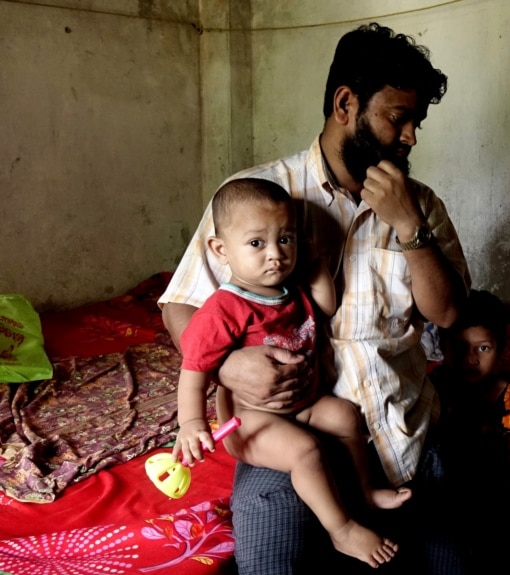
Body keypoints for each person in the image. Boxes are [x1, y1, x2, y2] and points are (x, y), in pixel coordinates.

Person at [158, 22, 471, 574]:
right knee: (270, 556)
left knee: (453, 560)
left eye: (417, 121)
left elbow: (447, 313)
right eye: (399, 117)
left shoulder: (421, 205)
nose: (411, 137)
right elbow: (180, 306)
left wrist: (409, 227)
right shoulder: (255, 201)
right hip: (291, 431)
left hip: (404, 425)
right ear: (345, 104)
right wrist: (229, 366)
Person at [172, 178, 410, 568]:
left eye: (285, 239)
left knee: (344, 415)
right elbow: (194, 369)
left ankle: (366, 491)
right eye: (256, 244)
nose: (275, 255)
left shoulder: (290, 288)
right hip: (251, 419)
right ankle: (342, 530)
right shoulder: (223, 308)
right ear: (220, 250)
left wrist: (314, 263)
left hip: (304, 402)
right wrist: (192, 422)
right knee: (306, 451)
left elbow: (327, 305)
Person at [435, 290, 510, 575]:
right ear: (445, 347)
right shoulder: (438, 390)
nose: (471, 358)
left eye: (483, 348)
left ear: (500, 349)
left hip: (507, 502)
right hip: (459, 500)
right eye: (460, 347)